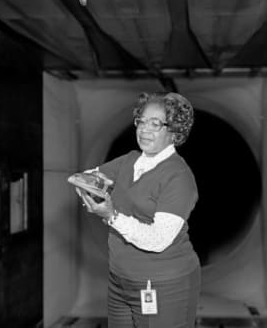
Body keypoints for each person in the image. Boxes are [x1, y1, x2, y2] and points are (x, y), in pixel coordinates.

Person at [76, 91, 200, 328]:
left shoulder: (179, 177)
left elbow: (158, 239)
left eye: (155, 124)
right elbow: (92, 177)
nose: (144, 130)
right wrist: (86, 186)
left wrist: (111, 215)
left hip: (164, 284)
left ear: (174, 131)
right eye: (141, 121)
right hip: (120, 280)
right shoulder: (129, 160)